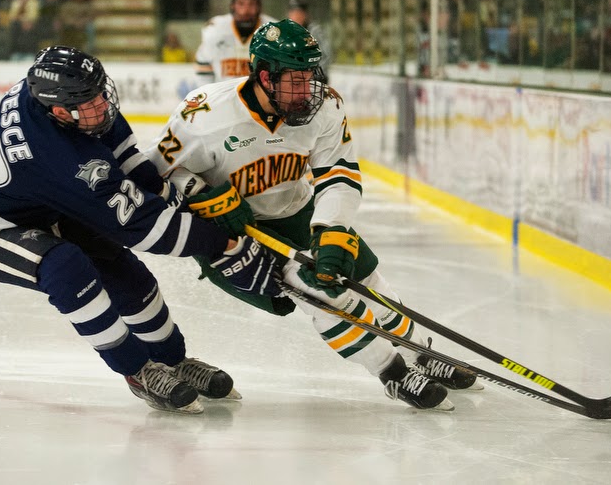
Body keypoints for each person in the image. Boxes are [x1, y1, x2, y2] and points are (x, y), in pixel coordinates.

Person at [145, 20, 482, 411]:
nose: (307, 90)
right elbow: (153, 173)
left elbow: (338, 172)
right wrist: (201, 194)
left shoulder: (325, 107)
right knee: (322, 294)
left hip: (297, 210)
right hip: (237, 234)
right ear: (264, 76)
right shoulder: (203, 115)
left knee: (367, 277)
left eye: (310, 76)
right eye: (295, 80)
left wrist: (331, 229)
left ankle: (421, 352)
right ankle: (392, 372)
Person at [0, 46, 282, 415]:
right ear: (58, 111)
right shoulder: (62, 158)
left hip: (36, 196)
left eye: (102, 90)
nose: (102, 104)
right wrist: (222, 243)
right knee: (66, 268)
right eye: (90, 102)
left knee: (119, 268)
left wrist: (174, 198)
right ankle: (137, 371)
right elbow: (144, 228)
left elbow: (126, 161)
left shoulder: (60, 102)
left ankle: (172, 359)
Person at [193, 0, 276, 86]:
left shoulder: (273, 31)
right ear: (232, 5)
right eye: (241, 4)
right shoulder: (215, 29)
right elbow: (203, 69)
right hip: (224, 98)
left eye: (251, 4)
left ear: (259, 6)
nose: (246, 11)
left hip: (261, 100)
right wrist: (209, 96)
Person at [286, 0, 332, 80]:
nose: (297, 16)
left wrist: (314, 73)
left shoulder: (314, 31)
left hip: (315, 79)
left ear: (306, 15)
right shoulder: (285, 32)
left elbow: (326, 55)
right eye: (294, 13)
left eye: (300, 13)